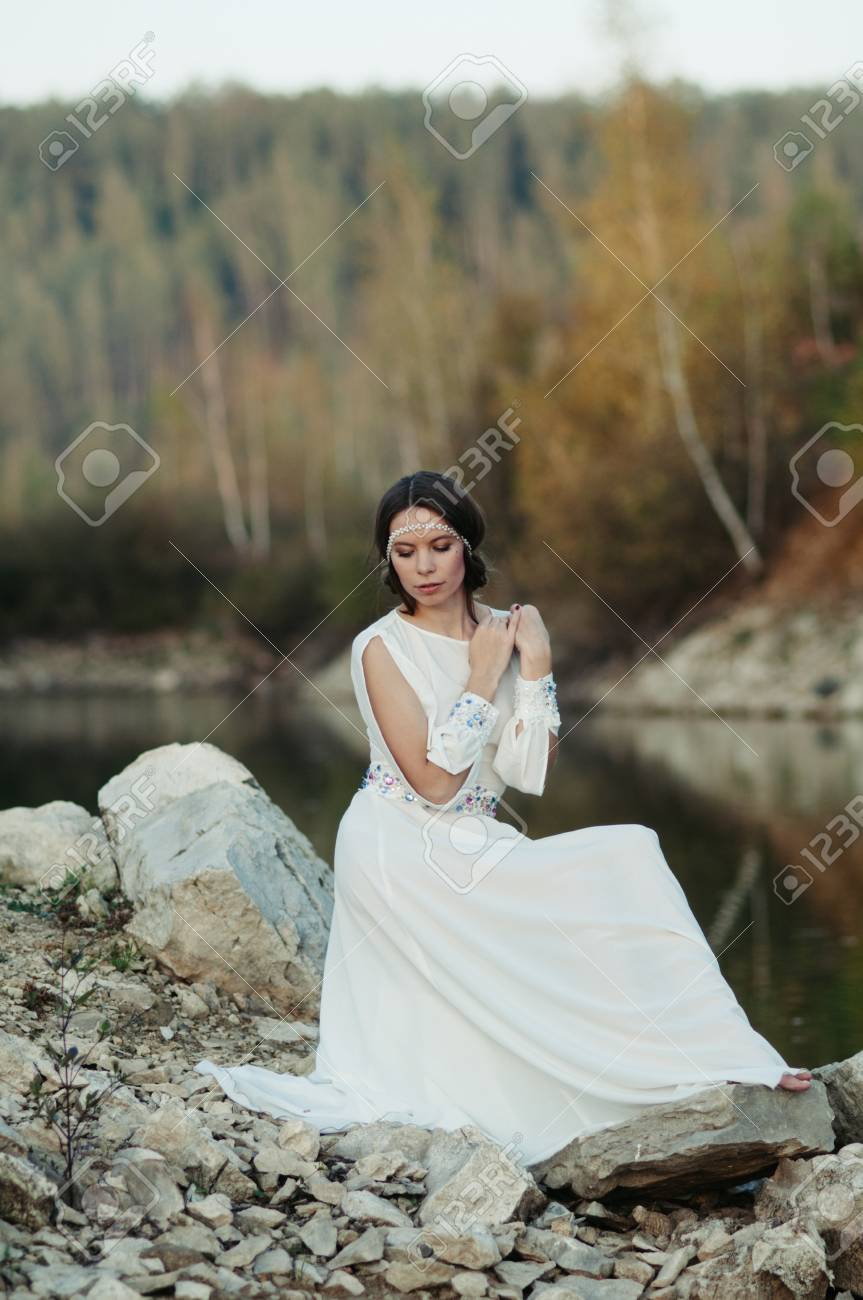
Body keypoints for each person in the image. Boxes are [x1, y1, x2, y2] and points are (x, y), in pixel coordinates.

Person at [195, 470, 812, 1168]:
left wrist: (537, 664)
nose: (425, 567)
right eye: (405, 553)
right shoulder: (379, 648)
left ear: (467, 546)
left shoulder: (504, 634)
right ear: (389, 561)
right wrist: (482, 677)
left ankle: (725, 1059)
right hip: (399, 845)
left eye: (439, 546)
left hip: (477, 838)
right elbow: (433, 784)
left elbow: (527, 772)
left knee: (630, 857)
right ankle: (647, 1078)